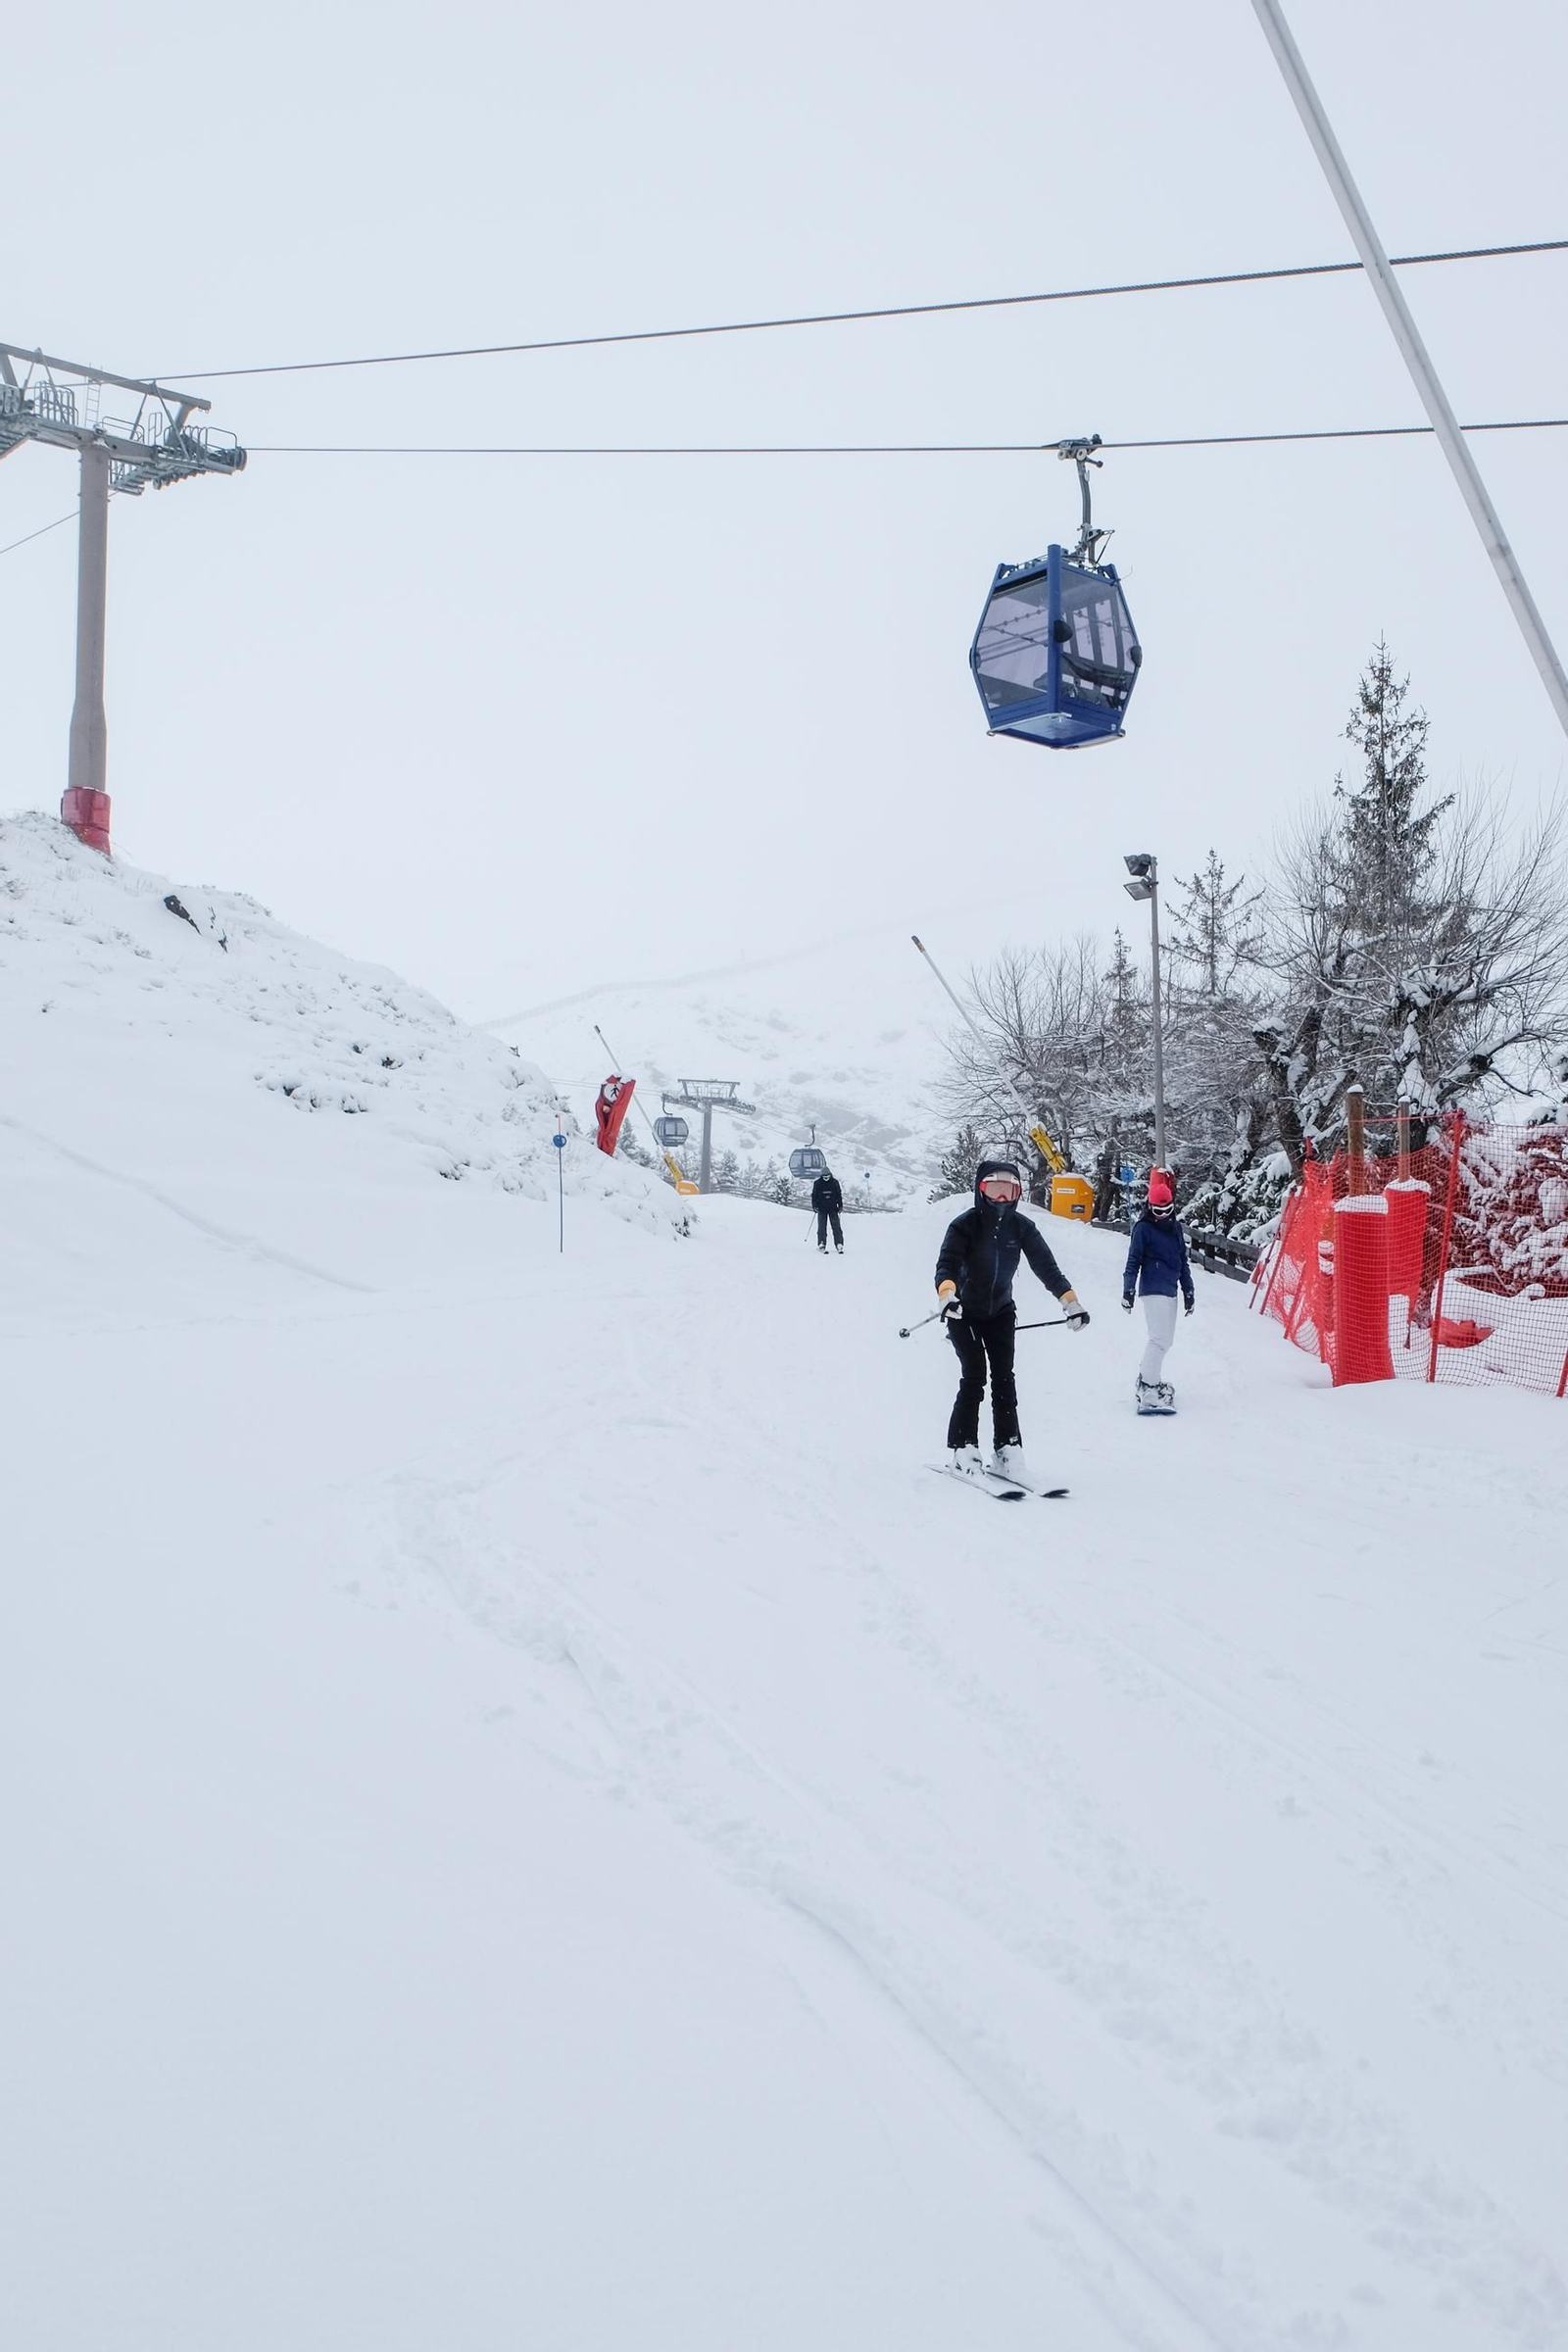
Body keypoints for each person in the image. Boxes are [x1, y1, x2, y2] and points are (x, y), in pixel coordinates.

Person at [934, 1156, 1089, 1481]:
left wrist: (1070, 1302)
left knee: (1005, 1379)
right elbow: (947, 1264)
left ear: (1017, 1192)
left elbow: (1047, 1267)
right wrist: (947, 1295)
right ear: (981, 1190)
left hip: (1001, 1311)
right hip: (963, 1312)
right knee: (975, 1376)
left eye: (1009, 1190)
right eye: (994, 1189)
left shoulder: (1022, 1228)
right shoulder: (964, 1225)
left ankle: (1008, 1449)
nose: (1002, 1198)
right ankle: (964, 1447)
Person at [1121, 1170, 1195, 1411]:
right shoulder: (1143, 1229)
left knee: (1166, 1340)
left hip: (1171, 1288)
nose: (1162, 1215)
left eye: (1166, 1210)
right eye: (1157, 1211)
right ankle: (1149, 1389)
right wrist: (1128, 1290)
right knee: (1159, 1339)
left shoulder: (1175, 1229)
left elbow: (1183, 1262)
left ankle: (1147, 1379)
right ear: (1150, 1207)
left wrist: (1189, 1292)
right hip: (1152, 1288)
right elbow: (1133, 1261)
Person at [812, 1166, 845, 1253]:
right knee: (822, 1227)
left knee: (836, 1227)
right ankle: (821, 1243)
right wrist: (814, 1206)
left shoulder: (835, 1183)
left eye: (827, 1176)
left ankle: (839, 1243)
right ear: (821, 1176)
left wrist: (840, 1205)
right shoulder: (817, 1183)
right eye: (824, 1176)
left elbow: (839, 1194)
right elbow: (814, 1195)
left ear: (830, 1175)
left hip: (833, 1208)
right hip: (821, 1209)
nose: (826, 1178)